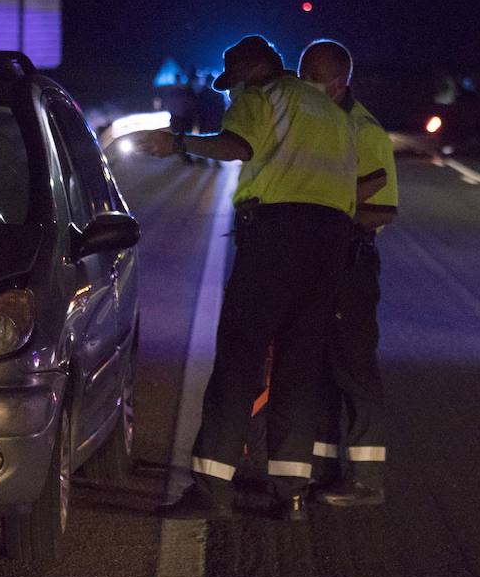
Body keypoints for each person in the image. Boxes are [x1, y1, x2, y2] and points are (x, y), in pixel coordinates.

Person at [124, 35, 356, 520]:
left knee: (240, 359)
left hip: (276, 238)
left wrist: (180, 143)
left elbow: (239, 147)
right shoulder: (332, 113)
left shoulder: (262, 95)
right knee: (299, 366)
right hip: (332, 242)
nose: (230, 95)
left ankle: (212, 490)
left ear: (252, 70)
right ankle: (291, 492)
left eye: (233, 84)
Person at [296, 39, 397, 506]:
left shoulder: (365, 130)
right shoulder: (309, 124)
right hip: (313, 260)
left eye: (315, 77)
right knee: (318, 369)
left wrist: (326, 210)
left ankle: (365, 479)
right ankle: (325, 469)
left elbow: (382, 210)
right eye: (303, 75)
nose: (307, 86)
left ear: (341, 84)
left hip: (349, 264)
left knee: (353, 368)